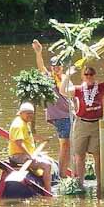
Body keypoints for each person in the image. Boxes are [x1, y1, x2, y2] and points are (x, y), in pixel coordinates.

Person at [60, 63, 104, 190]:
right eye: (86, 74)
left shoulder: (101, 87)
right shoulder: (79, 89)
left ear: (95, 75)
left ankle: (100, 184)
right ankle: (80, 184)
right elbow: (63, 91)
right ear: (83, 76)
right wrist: (67, 76)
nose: (89, 76)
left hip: (96, 124)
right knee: (79, 155)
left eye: (91, 74)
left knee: (97, 155)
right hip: (82, 124)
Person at [32, 39, 71, 177]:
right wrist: (38, 53)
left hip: (70, 115)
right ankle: (62, 174)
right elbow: (41, 67)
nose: (56, 68)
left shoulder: (66, 77)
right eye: (54, 66)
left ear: (62, 66)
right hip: (59, 116)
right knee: (65, 144)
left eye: (59, 65)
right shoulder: (49, 78)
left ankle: (64, 171)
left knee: (68, 145)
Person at [8, 102, 52, 191]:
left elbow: (29, 136)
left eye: (32, 113)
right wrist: (30, 155)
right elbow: (19, 142)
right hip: (18, 156)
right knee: (47, 165)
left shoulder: (24, 122)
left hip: (24, 154)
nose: (30, 115)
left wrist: (42, 139)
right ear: (21, 113)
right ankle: (48, 191)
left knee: (46, 159)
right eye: (28, 113)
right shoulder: (18, 125)